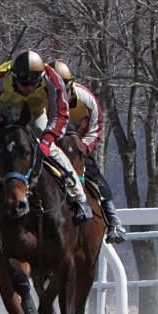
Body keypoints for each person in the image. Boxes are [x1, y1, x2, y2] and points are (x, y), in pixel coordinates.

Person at [0, 49, 94, 246]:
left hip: (35, 112)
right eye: (24, 83)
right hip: (5, 115)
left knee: (56, 153)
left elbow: (60, 115)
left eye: (34, 83)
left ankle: (80, 201)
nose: (28, 87)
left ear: (42, 77)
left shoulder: (53, 80)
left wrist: (46, 142)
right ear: (13, 76)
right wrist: (1, 143)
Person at [52, 60, 127, 242]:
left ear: (70, 88)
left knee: (95, 177)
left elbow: (96, 129)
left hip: (78, 146)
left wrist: (81, 148)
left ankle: (114, 222)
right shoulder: (41, 101)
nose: (59, 100)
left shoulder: (87, 100)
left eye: (63, 94)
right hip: (51, 147)